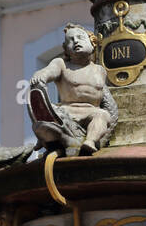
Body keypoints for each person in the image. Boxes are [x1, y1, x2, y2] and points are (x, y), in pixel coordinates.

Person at [28, 23, 117, 154]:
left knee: (102, 115)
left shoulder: (100, 70)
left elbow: (106, 99)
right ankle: (47, 137)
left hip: (91, 112)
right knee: (47, 116)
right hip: (66, 111)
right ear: (66, 49)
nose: (76, 41)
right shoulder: (61, 64)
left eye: (80, 37)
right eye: (71, 40)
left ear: (92, 43)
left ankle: (90, 141)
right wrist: (41, 76)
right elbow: (48, 71)